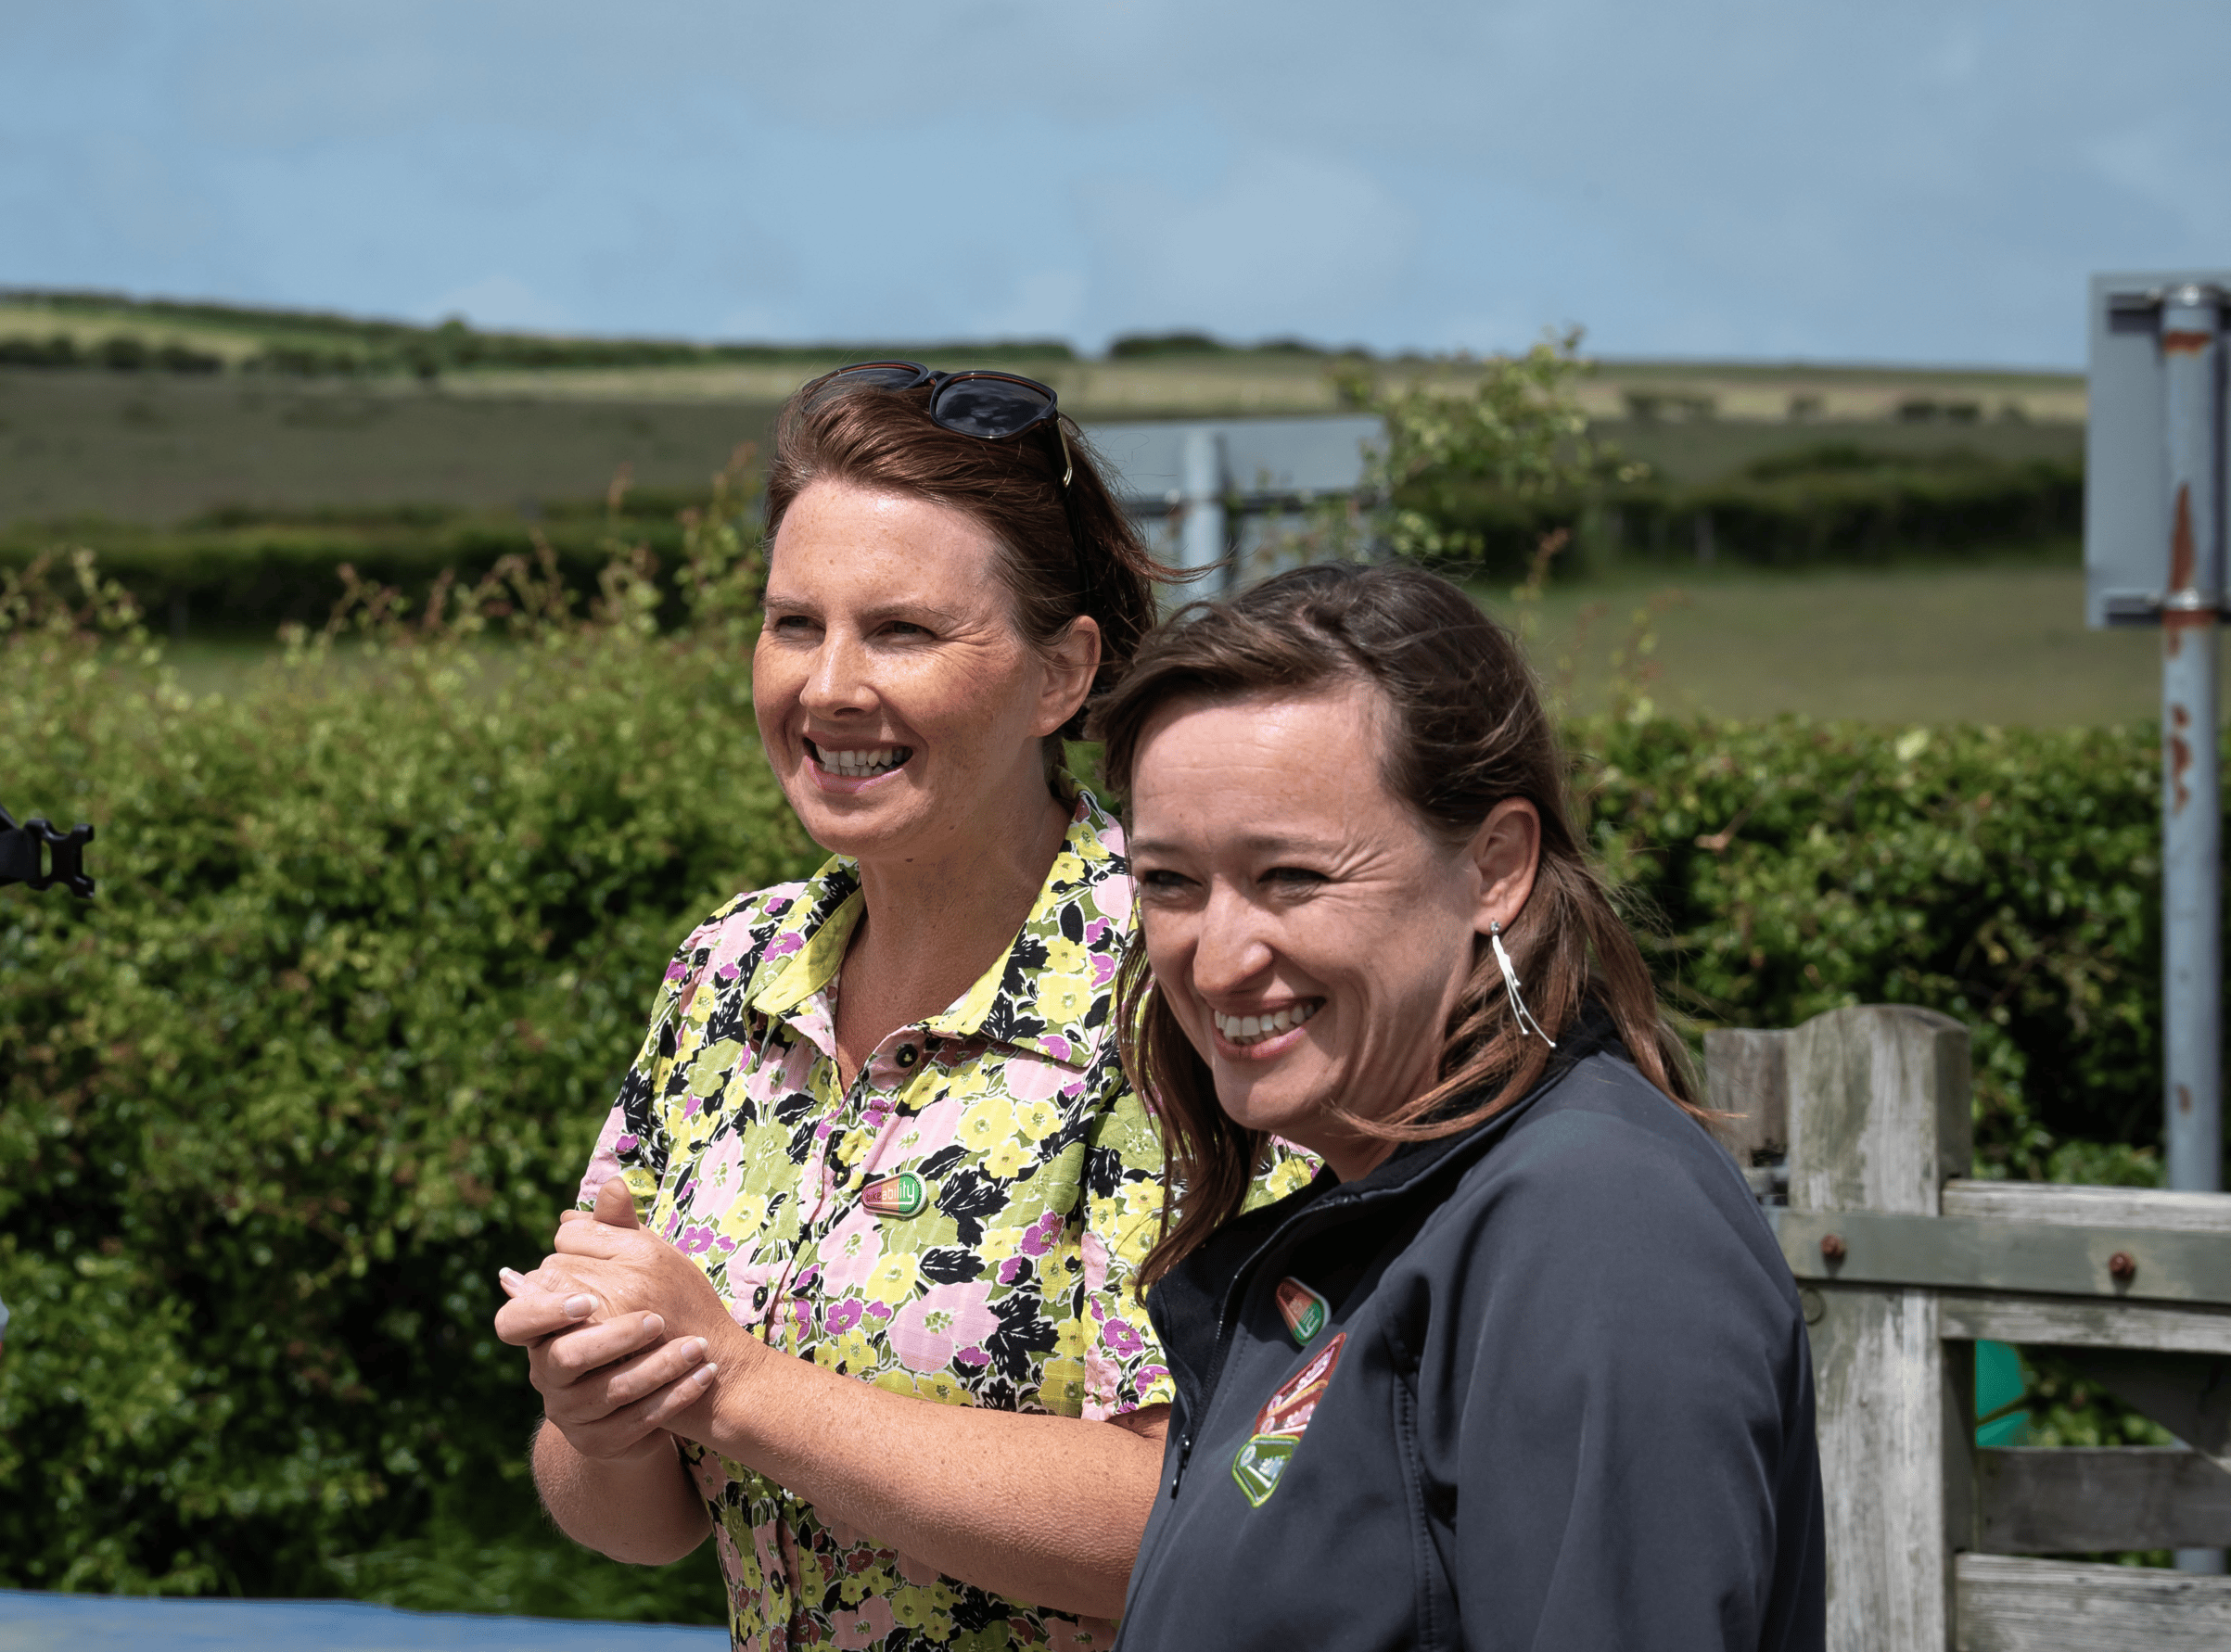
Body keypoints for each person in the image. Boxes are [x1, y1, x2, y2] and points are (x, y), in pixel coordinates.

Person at [493, 363, 1307, 1649]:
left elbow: (1211, 1508)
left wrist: (737, 1383)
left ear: (1062, 673)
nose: (828, 686)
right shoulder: (726, 973)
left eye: (904, 631)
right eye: (793, 623)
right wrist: (600, 1415)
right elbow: (637, 1520)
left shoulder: (1179, 991)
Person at [1093, 562, 1826, 1651]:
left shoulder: (1592, 1225)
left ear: (1496, 867)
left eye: (1292, 877)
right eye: (1170, 883)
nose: (1218, 957)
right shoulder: (1392, 1216)